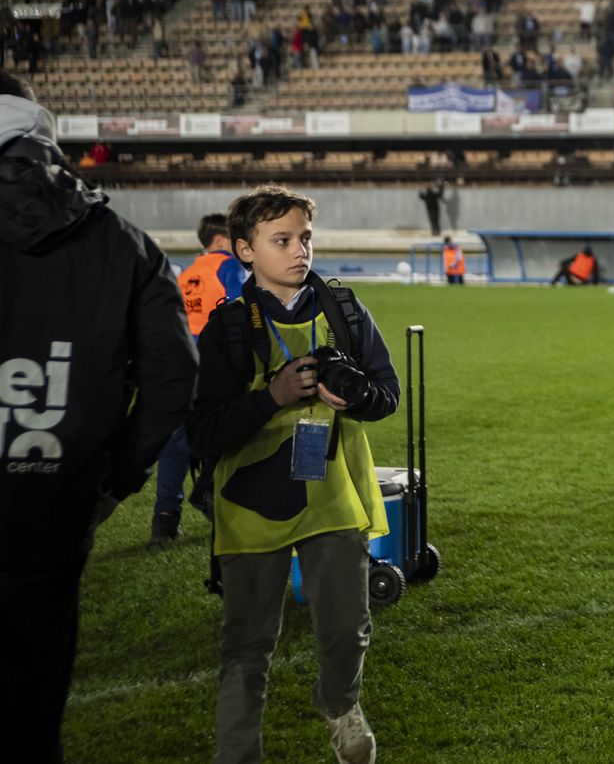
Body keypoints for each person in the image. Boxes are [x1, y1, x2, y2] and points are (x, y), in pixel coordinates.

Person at [0, 70, 198, 763]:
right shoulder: (122, 242)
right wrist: (114, 480)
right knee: (30, 713)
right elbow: (173, 378)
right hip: (52, 504)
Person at [186, 186, 400, 764]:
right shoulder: (228, 328)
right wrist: (271, 397)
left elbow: (388, 394)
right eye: (281, 240)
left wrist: (356, 397)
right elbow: (201, 433)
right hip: (249, 503)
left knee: (347, 626)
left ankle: (339, 702)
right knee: (247, 644)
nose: (299, 250)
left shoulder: (345, 312)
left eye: (305, 237)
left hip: (332, 493)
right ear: (245, 250)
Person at [151, 213, 249, 545]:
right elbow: (241, 313)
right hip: (212, 362)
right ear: (221, 240)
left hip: (177, 362)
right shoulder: (230, 267)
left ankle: (165, 518)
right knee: (222, 431)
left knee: (175, 441)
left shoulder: (187, 272)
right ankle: (209, 494)